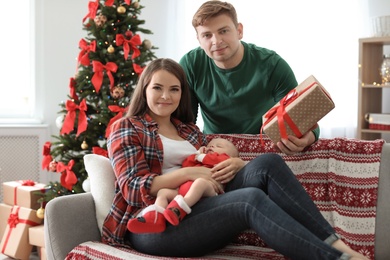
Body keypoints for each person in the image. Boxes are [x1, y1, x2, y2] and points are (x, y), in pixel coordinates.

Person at [102, 58, 368, 260]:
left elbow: (210, 164)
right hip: (154, 225)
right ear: (144, 89)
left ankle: (336, 244)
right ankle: (336, 259)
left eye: (174, 89)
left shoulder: (188, 130)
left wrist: (239, 166)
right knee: (248, 199)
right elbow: (133, 189)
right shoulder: (127, 127)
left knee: (267, 163)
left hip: (200, 210)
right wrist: (189, 175)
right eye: (157, 88)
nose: (165, 96)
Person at [179, 0, 318, 155]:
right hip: (216, 150)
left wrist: (307, 139)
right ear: (198, 39)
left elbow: (306, 119)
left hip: (263, 151)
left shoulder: (272, 65)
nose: (216, 41)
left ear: (239, 30)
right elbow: (184, 123)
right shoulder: (190, 64)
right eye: (206, 35)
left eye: (223, 31)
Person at [127, 138, 239, 233]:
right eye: (210, 145)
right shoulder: (199, 160)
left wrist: (202, 156)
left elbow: (215, 160)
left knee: (199, 183)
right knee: (163, 192)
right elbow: (186, 164)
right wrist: (196, 155)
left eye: (218, 146)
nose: (211, 147)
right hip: (183, 190)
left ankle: (178, 210)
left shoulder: (225, 160)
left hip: (209, 189)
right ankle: (155, 217)